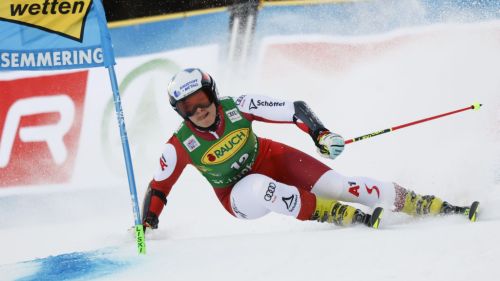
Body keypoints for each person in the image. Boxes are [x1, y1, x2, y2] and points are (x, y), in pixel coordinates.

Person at [141, 68, 478, 231]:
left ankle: (425, 203)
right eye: (188, 108)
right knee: (263, 188)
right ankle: (331, 212)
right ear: (180, 113)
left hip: (272, 157)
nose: (198, 110)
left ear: (212, 94)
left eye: (201, 100)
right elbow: (159, 187)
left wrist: (320, 133)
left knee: (342, 186)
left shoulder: (238, 105)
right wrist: (147, 223)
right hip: (238, 196)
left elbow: (293, 108)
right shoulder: (179, 145)